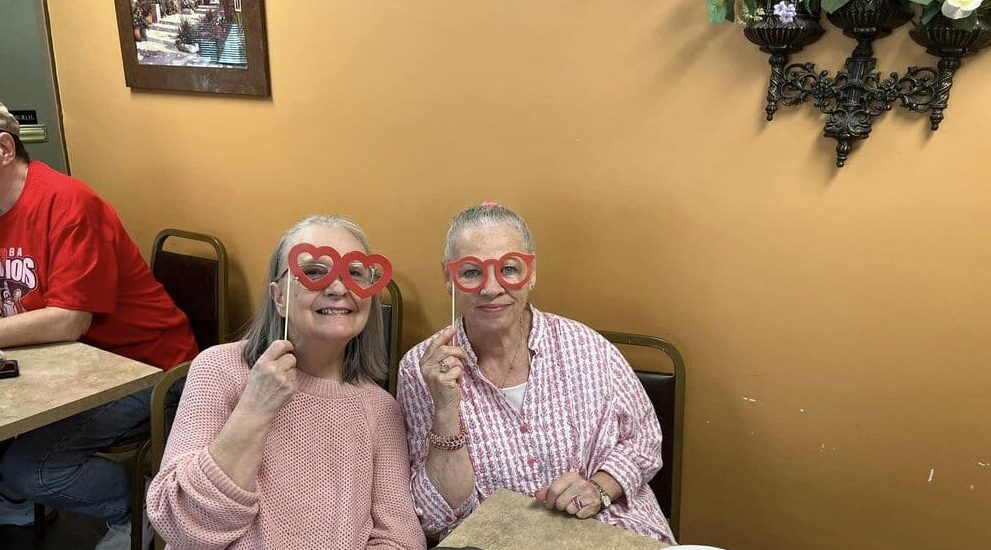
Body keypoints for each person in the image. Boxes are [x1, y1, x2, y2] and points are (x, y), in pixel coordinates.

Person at [398, 203, 675, 544]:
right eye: (471, 272)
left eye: (509, 268)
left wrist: (599, 489)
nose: (491, 287)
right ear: (448, 278)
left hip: (613, 530)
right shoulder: (421, 369)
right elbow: (436, 513)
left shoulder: (586, 345)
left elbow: (645, 439)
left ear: (531, 273)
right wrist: (444, 407)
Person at [147, 215, 425, 550]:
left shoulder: (381, 408)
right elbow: (180, 525)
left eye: (354, 273)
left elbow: (400, 538)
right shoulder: (218, 369)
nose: (338, 288)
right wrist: (255, 408)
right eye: (313, 272)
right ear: (279, 297)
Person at [0, 100, 198, 548]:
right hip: (66, 366)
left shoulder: (68, 203)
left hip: (147, 368)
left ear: (4, 149)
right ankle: (15, 497)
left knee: (30, 469)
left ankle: (139, 506)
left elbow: (70, 319)